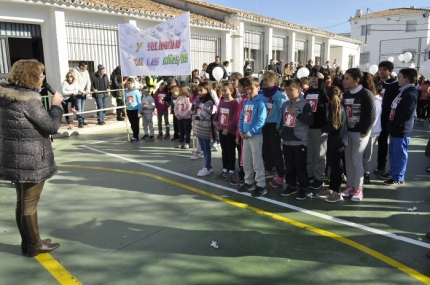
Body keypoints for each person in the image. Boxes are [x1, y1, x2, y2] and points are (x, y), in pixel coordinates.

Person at [0, 59, 63, 256]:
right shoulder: (29, 101)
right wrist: (56, 106)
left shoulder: (6, 97)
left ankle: (29, 242)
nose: (42, 78)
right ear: (31, 77)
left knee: (22, 202)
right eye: (40, 74)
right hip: (32, 159)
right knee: (29, 203)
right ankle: (34, 245)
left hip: (15, 156)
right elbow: (51, 126)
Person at [341, 68, 376, 202]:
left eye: (347, 78)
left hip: (360, 134)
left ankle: (358, 189)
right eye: (344, 78)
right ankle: (350, 185)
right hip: (348, 132)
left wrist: (364, 132)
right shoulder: (346, 94)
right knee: (348, 160)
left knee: (356, 160)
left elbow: (371, 116)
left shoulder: (366, 94)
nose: (344, 81)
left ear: (356, 80)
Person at [381, 68, 418, 185]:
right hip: (395, 128)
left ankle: (398, 177)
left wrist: (396, 124)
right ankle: (393, 172)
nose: (398, 80)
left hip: (401, 130)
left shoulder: (410, 94)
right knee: (393, 152)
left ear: (406, 80)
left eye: (400, 77)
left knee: (400, 153)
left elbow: (407, 113)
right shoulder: (403, 91)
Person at [279, 78, 314, 199]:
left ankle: (304, 188)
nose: (288, 92)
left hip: (299, 141)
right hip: (286, 140)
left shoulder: (305, 105)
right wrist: (280, 131)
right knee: (289, 166)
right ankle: (291, 185)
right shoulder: (285, 104)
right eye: (286, 89)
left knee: (300, 167)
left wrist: (297, 114)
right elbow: (282, 121)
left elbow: (310, 121)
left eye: (291, 89)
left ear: (299, 90)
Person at [237, 78, 267, 197]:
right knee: (247, 161)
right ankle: (249, 182)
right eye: (248, 88)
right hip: (245, 136)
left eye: (252, 88)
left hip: (255, 136)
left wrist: (249, 132)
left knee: (257, 162)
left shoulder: (261, 102)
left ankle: (261, 185)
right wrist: (240, 129)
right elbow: (241, 118)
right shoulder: (246, 102)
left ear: (258, 88)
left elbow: (261, 121)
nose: (249, 91)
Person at [318, 85, 348, 203]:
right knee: (333, 166)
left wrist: (322, 128)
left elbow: (333, 125)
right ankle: (331, 189)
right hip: (336, 141)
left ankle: (338, 192)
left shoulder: (337, 108)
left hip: (337, 142)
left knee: (336, 168)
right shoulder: (336, 107)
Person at [261, 70, 287, 188]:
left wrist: (278, 126)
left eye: (267, 79)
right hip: (264, 126)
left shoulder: (279, 96)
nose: (264, 82)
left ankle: (281, 174)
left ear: (274, 81)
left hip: (274, 126)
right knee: (266, 149)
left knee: (276, 150)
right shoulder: (262, 95)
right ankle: (268, 169)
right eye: (263, 79)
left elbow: (282, 112)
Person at [304, 67, 329, 190]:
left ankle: (319, 177)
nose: (313, 79)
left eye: (316, 77)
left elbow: (326, 100)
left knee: (320, 154)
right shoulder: (307, 92)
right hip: (308, 127)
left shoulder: (324, 91)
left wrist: (322, 83)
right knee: (310, 154)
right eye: (311, 77)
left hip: (320, 128)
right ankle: (310, 175)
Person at [374, 61, 399, 175]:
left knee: (383, 142)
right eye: (380, 69)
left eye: (384, 69)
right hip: (373, 117)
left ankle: (381, 165)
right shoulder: (375, 82)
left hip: (385, 118)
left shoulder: (395, 85)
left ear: (390, 71)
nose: (382, 71)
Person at [213, 82, 238, 181]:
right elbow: (218, 113)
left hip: (230, 131)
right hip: (221, 129)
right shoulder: (222, 102)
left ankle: (231, 169)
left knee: (231, 150)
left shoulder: (234, 103)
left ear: (231, 91)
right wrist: (215, 120)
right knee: (224, 151)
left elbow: (234, 118)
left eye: (225, 90)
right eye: (222, 90)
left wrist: (228, 128)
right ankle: (225, 168)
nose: (223, 92)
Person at [362, 72, 382, 184]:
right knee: (363, 154)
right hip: (367, 131)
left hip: (371, 132)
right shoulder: (373, 99)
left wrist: (365, 130)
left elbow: (373, 119)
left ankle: (366, 173)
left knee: (367, 155)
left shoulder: (375, 101)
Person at [230, 77, 249, 187]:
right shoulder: (243, 100)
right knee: (243, 156)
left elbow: (239, 119)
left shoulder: (244, 101)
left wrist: (238, 134)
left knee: (243, 157)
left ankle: (242, 177)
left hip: (242, 133)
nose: (238, 88)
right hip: (243, 132)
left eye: (240, 86)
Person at [193, 82, 215, 176]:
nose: (199, 92)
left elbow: (204, 114)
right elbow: (193, 109)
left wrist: (197, 116)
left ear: (207, 90)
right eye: (198, 90)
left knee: (206, 148)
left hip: (205, 127)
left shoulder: (209, 102)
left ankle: (207, 167)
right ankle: (208, 166)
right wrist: (197, 100)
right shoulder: (200, 100)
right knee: (203, 147)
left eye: (201, 90)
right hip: (198, 127)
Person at [73, 61, 91, 128]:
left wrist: (88, 89)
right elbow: (76, 82)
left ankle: (82, 119)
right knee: (79, 108)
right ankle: (80, 121)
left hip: (84, 92)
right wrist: (81, 91)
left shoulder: (86, 72)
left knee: (82, 107)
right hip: (78, 92)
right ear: (81, 66)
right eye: (85, 67)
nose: (86, 68)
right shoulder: (75, 71)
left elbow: (88, 81)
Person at [124, 78, 142, 142]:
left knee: (135, 123)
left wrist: (139, 111)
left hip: (135, 109)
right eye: (128, 83)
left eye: (131, 83)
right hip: (129, 109)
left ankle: (135, 136)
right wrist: (123, 97)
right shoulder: (126, 92)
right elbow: (124, 100)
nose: (129, 85)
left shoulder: (136, 92)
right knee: (132, 123)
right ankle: (135, 134)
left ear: (133, 84)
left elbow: (139, 102)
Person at [174, 85, 193, 149]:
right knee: (181, 130)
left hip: (186, 118)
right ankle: (181, 142)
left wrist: (183, 115)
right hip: (179, 118)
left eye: (181, 90)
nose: (180, 92)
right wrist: (177, 115)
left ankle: (187, 142)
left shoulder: (188, 99)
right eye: (179, 90)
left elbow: (189, 108)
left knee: (187, 131)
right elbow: (175, 107)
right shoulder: (179, 98)